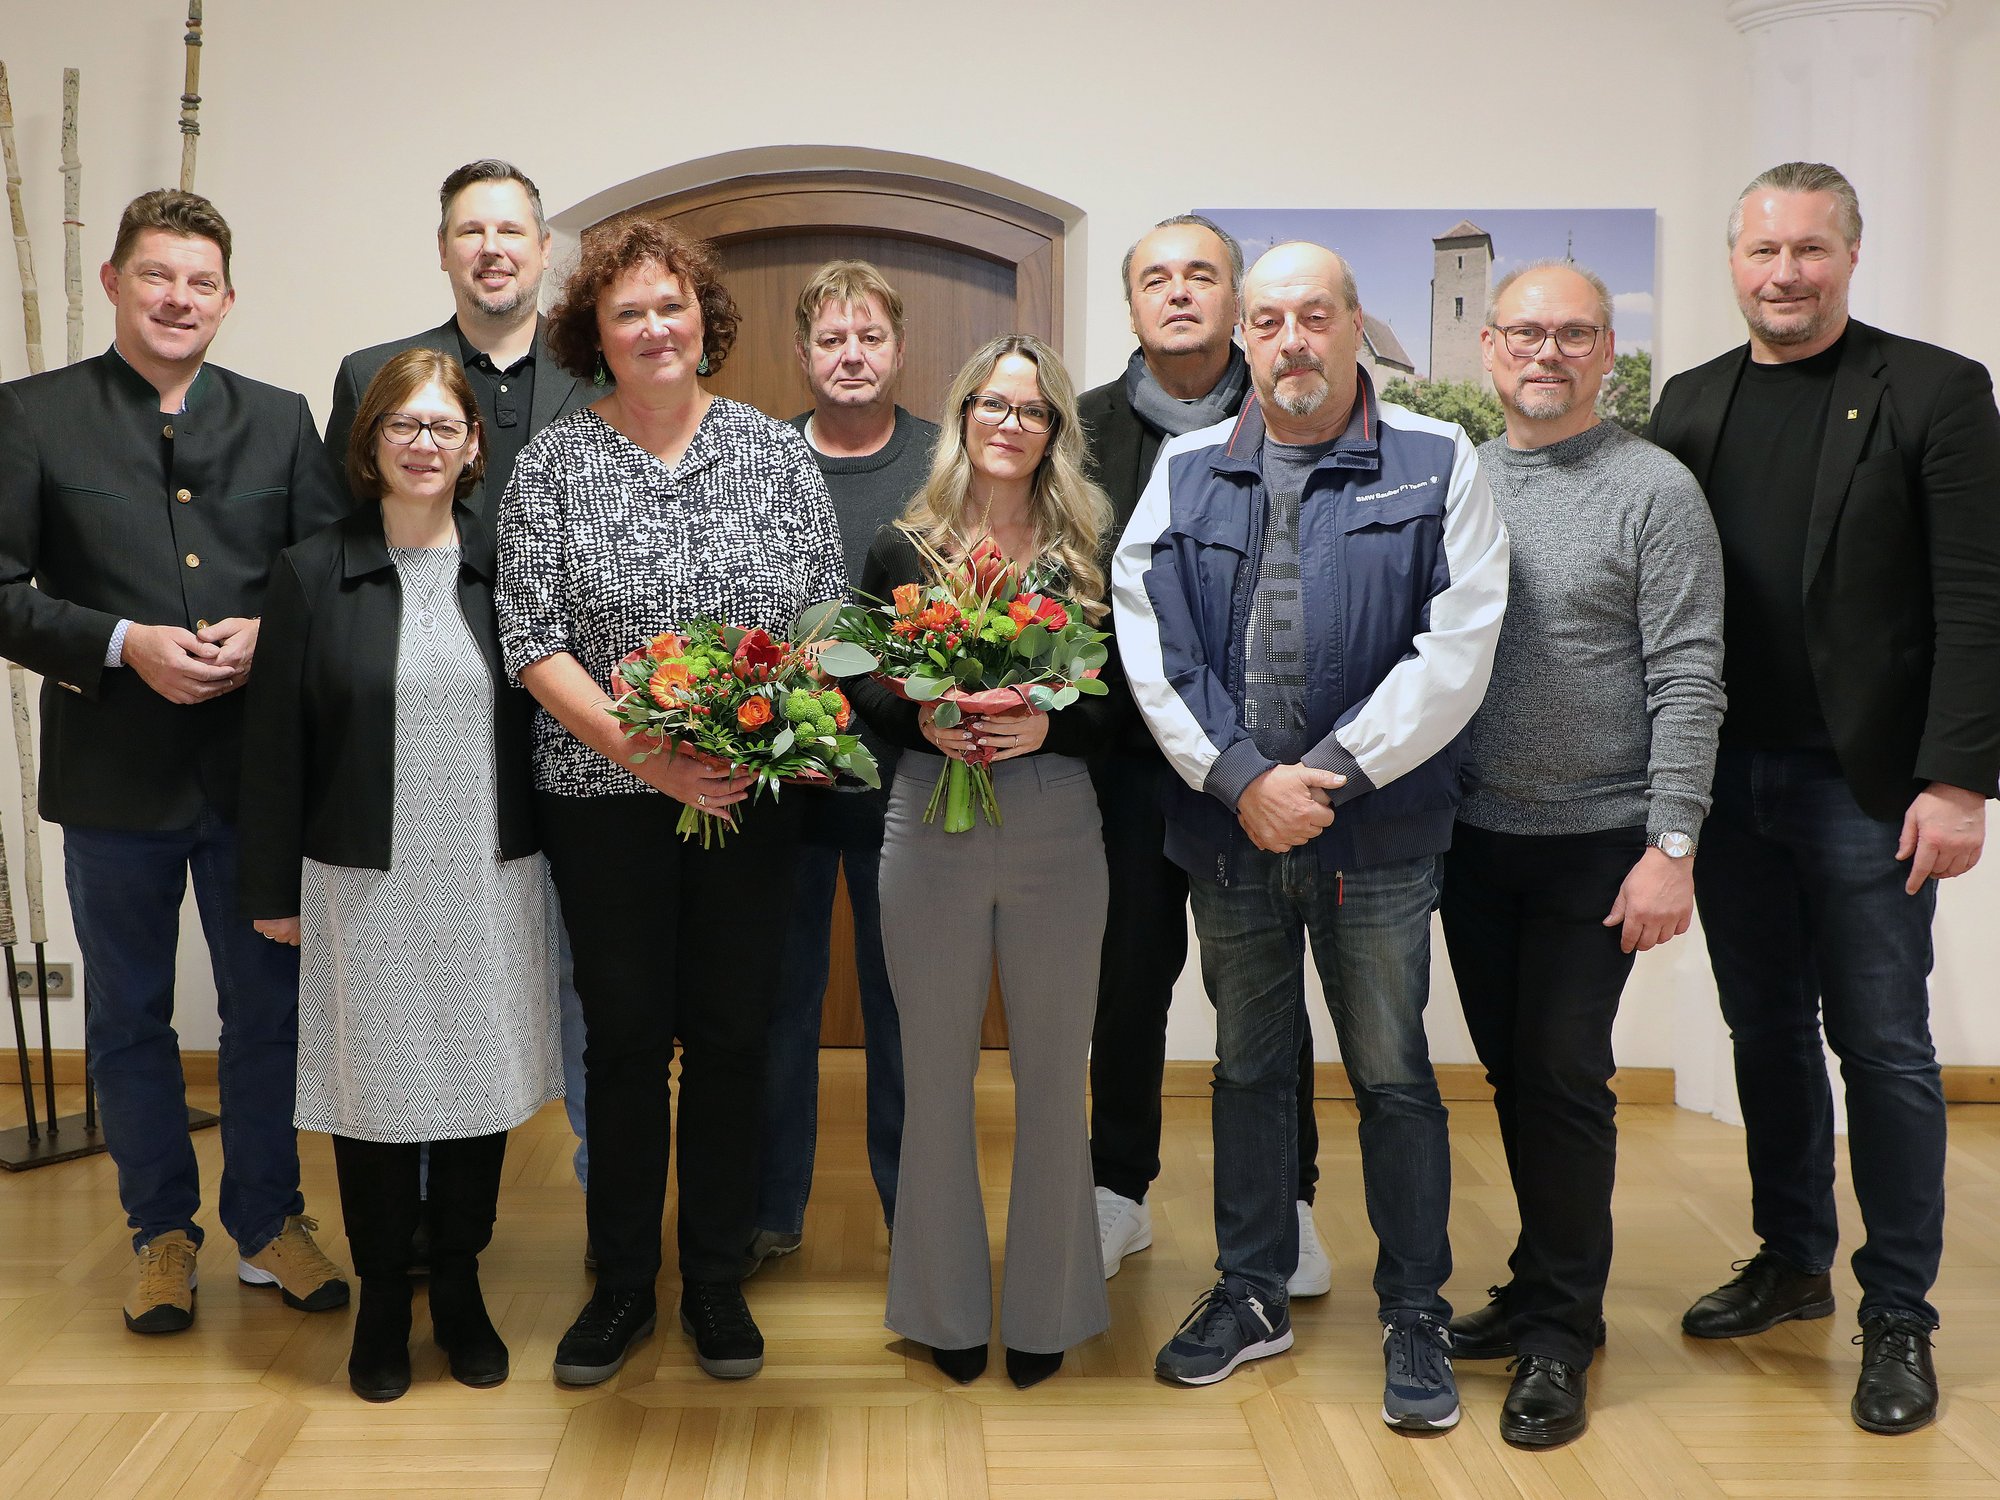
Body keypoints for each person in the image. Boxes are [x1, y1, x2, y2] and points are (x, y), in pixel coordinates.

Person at [1115, 242, 1507, 1429]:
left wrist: (1323, 778)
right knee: (1246, 1068)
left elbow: (1458, 645)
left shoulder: (1436, 458)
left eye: (1314, 316)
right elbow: (1150, 640)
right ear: (1244, 336)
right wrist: (1242, 780)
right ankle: (1250, 1290)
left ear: (1350, 324)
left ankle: (1414, 1312)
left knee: (1391, 1074)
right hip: (1229, 832)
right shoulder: (1184, 469)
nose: (1292, 340)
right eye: (1270, 319)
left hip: (1372, 838)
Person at [1648, 161, 2000, 1435]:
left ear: (1850, 255)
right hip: (1727, 781)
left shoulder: (1934, 390)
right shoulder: (1689, 402)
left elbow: (1975, 594)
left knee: (1885, 1049)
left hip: (1866, 789)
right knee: (1763, 1033)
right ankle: (1791, 1259)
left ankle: (1896, 1313)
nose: (1783, 273)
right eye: (1762, 251)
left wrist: (1957, 781)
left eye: (1808, 249)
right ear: (1732, 262)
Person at [496, 219, 845, 1385]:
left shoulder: (770, 452)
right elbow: (531, 637)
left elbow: (817, 617)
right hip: (600, 798)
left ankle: (712, 1281)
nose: (654, 328)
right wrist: (648, 757)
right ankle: (618, 1286)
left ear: (705, 320)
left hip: (747, 795)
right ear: (593, 335)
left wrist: (756, 735)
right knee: (626, 1041)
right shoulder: (554, 462)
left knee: (735, 1037)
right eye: (627, 312)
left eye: (671, 306)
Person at [0, 189, 350, 1334]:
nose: (178, 298)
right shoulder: (33, 414)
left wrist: (273, 631)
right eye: (157, 275)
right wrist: (121, 643)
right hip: (113, 781)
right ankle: (160, 1233)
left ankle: (270, 1221)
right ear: (114, 282)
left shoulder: (282, 419)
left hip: (260, 780)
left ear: (228, 299)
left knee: (268, 1014)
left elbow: (334, 574)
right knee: (129, 1020)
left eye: (200, 282)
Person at [1438, 262, 1725, 1447]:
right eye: (1522, 333)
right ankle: (1537, 1283)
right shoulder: (1456, 479)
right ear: (1489, 349)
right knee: (1513, 1073)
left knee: (1560, 1075)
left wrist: (1671, 844)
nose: (1543, 353)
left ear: (1606, 351)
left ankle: (1560, 1330)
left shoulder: (1653, 489)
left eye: (1570, 334)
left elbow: (1688, 674)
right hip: (1469, 837)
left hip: (1596, 842)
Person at [240, 349, 560, 1402]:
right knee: (372, 1089)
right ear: (370, 441)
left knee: (476, 1082)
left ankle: (458, 1284)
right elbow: (274, 746)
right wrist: (272, 894)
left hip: (488, 873)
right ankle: (384, 1295)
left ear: (474, 448)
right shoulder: (309, 571)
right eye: (403, 425)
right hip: (361, 880)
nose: (424, 444)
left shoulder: (507, 565)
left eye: (444, 427)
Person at [324, 161, 595, 1228]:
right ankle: (426, 1224)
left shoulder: (599, 374)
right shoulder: (378, 375)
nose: (492, 248)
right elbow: (339, 548)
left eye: (511, 230)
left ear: (543, 251)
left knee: (582, 983)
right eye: (470, 230)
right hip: (428, 726)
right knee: (422, 977)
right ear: (442, 249)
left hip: (580, 729)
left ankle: (601, 1214)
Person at [849, 333, 1121, 1391]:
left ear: (1055, 430)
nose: (1011, 424)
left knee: (1054, 1076)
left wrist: (1050, 724)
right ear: (962, 415)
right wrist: (925, 716)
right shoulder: (903, 547)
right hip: (930, 819)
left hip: (1056, 824)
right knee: (933, 1075)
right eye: (993, 405)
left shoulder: (1087, 550)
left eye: (1033, 410)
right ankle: (943, 1306)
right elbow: (864, 683)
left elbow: (1124, 701)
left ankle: (1050, 1307)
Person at [1079, 215, 1326, 1295]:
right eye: (1155, 278)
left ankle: (1287, 1201)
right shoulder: (1077, 430)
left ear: (1234, 300)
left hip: (1255, 770)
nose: (1177, 292)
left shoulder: (1293, 412)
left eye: (1200, 275)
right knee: (1123, 986)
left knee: (1261, 993)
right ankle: (1116, 1192)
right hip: (1121, 766)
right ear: (1130, 304)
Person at [747, 261, 935, 1270]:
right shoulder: (759, 461)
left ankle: (915, 1216)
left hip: (907, 782)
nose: (851, 356)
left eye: (869, 338)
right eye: (831, 339)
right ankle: (769, 1211)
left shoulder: (945, 463)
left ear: (899, 350)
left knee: (905, 1007)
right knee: (776, 1005)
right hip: (781, 783)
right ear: (802, 354)